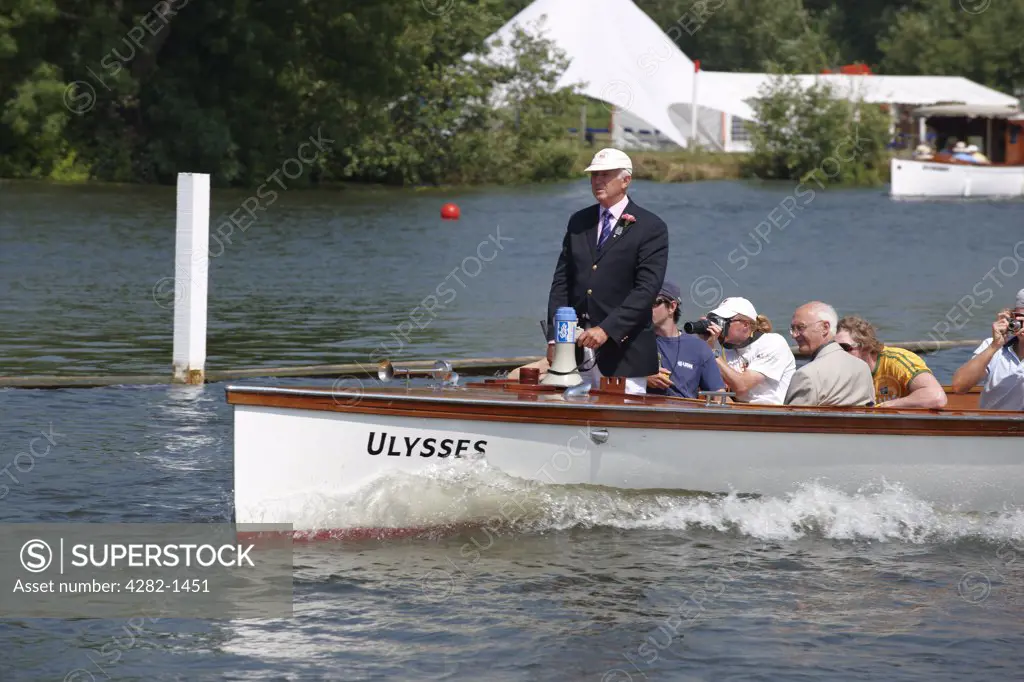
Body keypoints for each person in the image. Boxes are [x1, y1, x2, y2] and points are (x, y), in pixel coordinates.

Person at [545, 147, 669, 395]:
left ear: (626, 180)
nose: (598, 180)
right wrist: (554, 337)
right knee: (571, 419)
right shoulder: (579, 221)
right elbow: (562, 283)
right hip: (574, 350)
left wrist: (607, 330)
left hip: (625, 352)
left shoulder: (650, 226)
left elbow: (646, 290)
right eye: (594, 175)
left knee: (621, 425)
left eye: (605, 174)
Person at [835, 316, 948, 409]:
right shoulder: (834, 370)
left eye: (844, 347)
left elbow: (936, 397)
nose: (837, 353)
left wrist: (888, 405)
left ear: (866, 347)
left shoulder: (897, 361)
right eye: (834, 348)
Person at [699, 296, 795, 405]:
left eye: (724, 321)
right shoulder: (725, 351)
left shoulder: (772, 342)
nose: (719, 327)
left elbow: (741, 386)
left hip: (772, 414)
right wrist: (700, 344)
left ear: (745, 324)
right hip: (741, 411)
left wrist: (711, 351)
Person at [784, 301, 874, 407]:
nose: (794, 335)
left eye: (800, 327)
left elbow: (792, 422)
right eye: (793, 329)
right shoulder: (862, 367)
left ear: (825, 328)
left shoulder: (805, 375)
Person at [647, 280, 726, 399]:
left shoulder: (699, 348)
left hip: (686, 414)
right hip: (646, 413)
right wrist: (643, 378)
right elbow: (612, 376)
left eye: (653, 303)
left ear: (672, 307)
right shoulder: (634, 341)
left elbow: (718, 395)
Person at [951, 289, 1024, 410]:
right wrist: (994, 346)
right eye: (1020, 318)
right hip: (994, 425)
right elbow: (959, 387)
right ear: (1012, 317)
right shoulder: (992, 346)